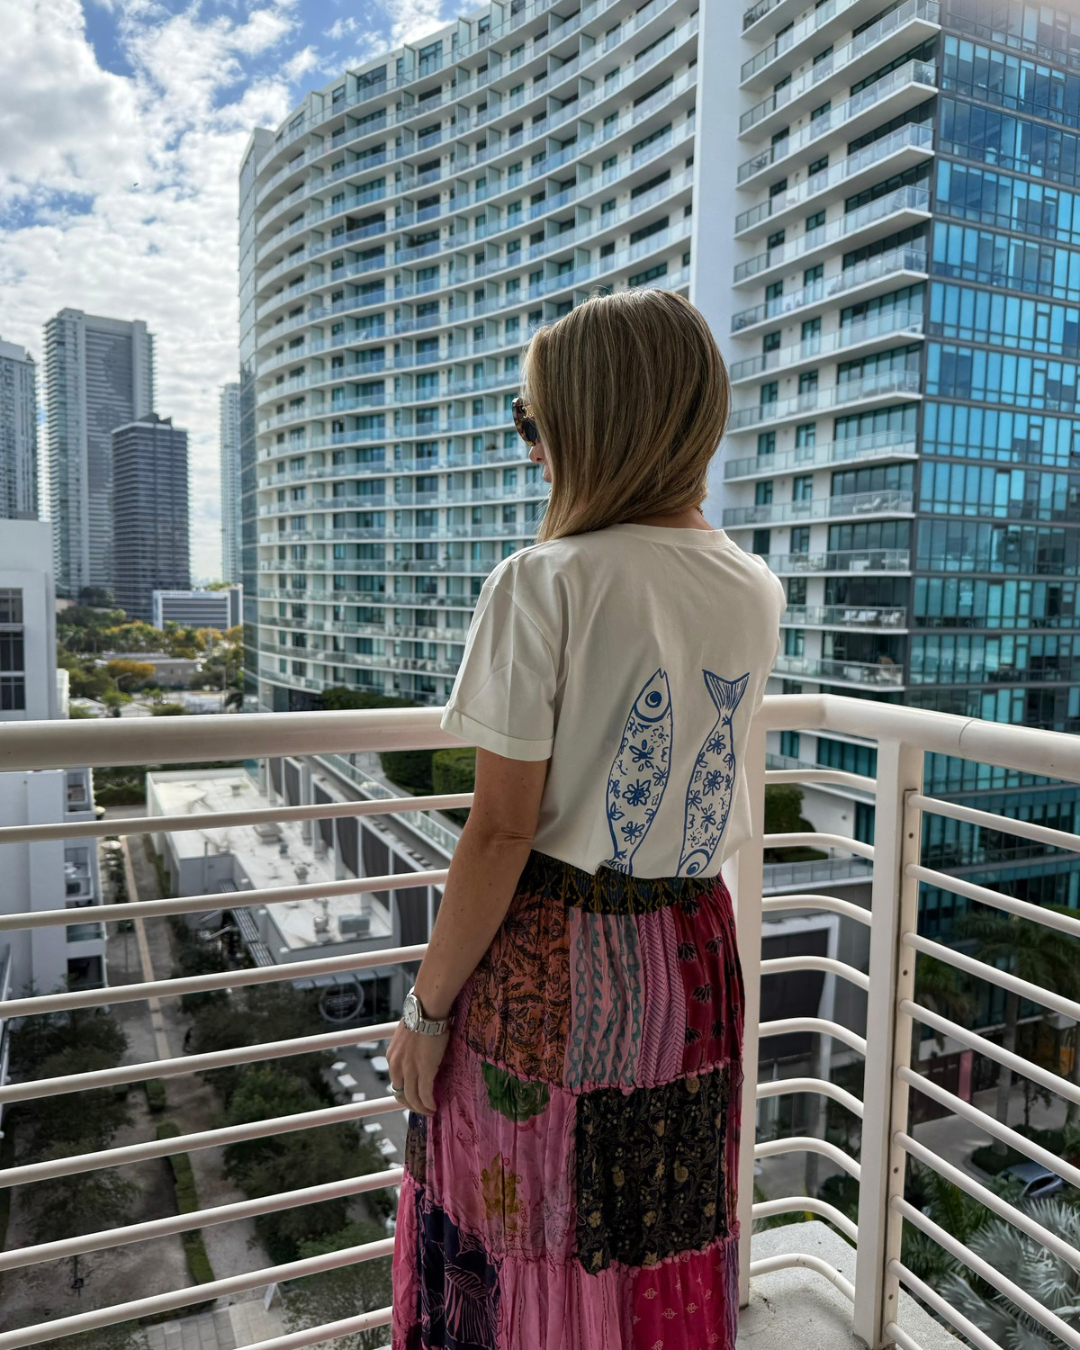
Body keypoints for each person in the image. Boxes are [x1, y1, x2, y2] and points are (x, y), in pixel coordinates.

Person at [387, 289, 785, 1350]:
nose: (530, 450)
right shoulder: (751, 585)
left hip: (553, 969)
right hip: (692, 955)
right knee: (656, 1234)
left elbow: (500, 833)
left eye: (532, 422)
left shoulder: (544, 581)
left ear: (591, 420)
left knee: (520, 1234)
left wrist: (425, 1014)